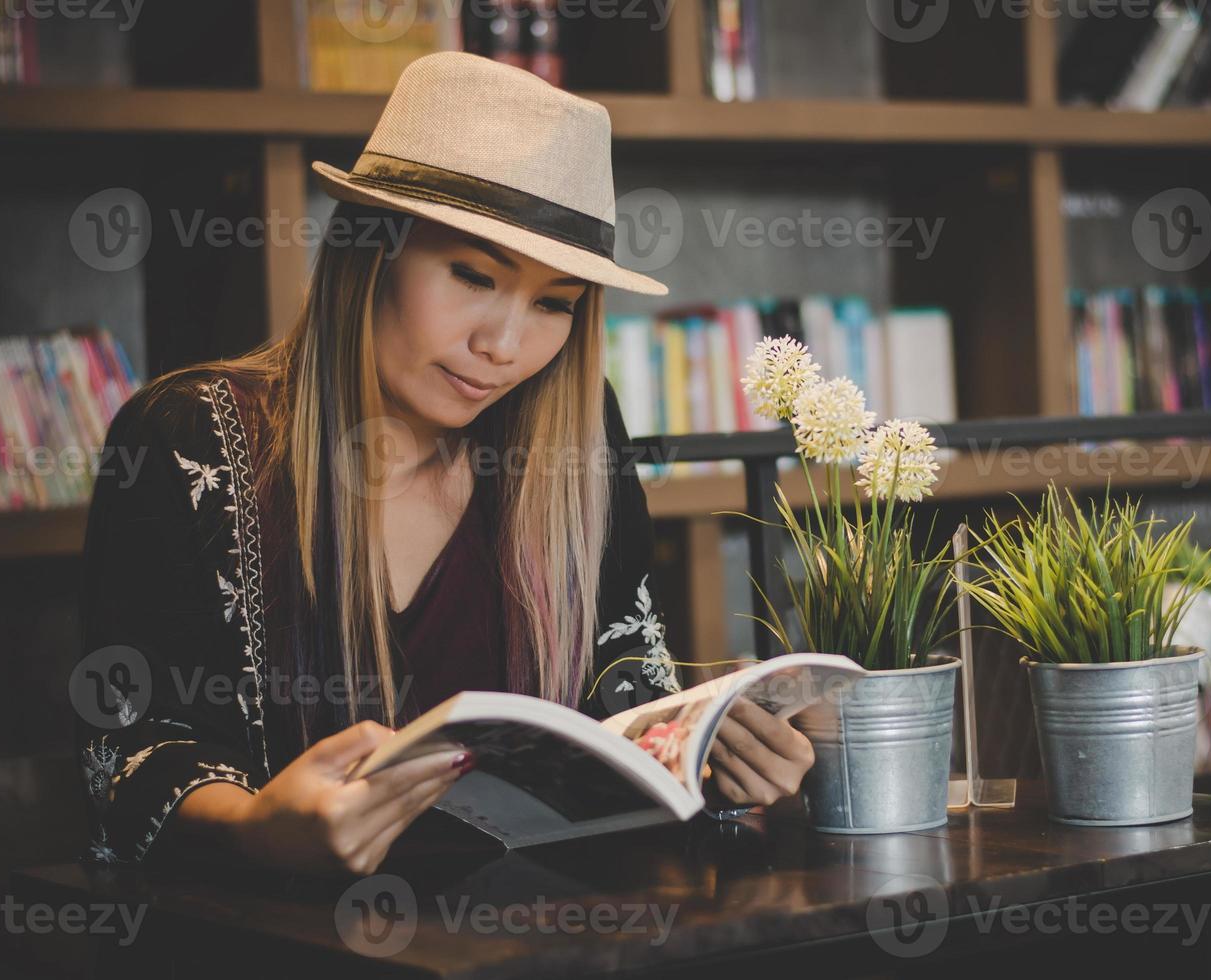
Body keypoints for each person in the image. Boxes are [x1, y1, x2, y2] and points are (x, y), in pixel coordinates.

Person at [77, 53, 813, 875]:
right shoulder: (188, 439)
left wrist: (717, 763)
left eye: (552, 305)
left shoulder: (578, 435)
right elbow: (133, 756)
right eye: (471, 275)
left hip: (563, 939)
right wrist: (256, 830)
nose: (501, 346)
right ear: (371, 253)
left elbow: (627, 692)